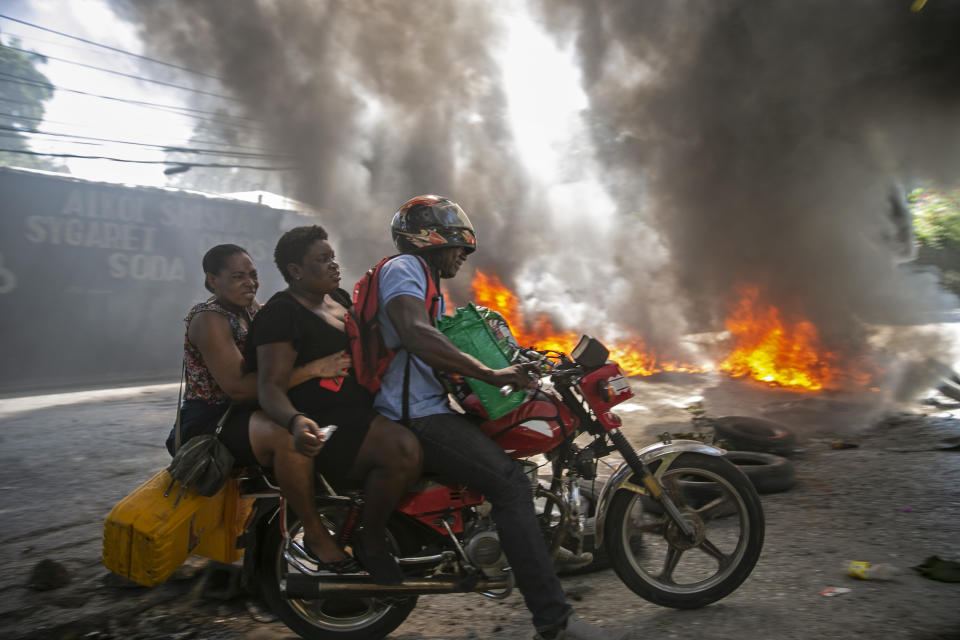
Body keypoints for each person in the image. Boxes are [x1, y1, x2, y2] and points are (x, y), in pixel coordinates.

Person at [374, 196, 628, 640]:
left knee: (518, 463)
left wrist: (516, 358)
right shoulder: (405, 269)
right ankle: (554, 621)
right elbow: (416, 335)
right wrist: (491, 373)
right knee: (508, 482)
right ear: (431, 237)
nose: (463, 254)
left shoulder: (427, 280)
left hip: (428, 406)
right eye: (458, 244)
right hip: (414, 416)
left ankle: (535, 545)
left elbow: (442, 344)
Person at [166, 244, 359, 575]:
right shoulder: (209, 319)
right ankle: (315, 535)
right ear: (213, 280)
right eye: (238, 276)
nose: (249, 283)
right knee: (289, 436)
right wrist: (315, 368)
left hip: (245, 414)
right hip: (212, 423)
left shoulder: (251, 309)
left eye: (253, 275)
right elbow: (239, 389)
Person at [248, 225, 422, 585]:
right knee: (402, 451)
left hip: (362, 411)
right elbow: (269, 388)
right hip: (324, 424)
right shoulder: (281, 315)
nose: (333, 265)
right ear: (295, 271)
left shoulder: (339, 298)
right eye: (321, 259)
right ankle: (369, 538)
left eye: (333, 257)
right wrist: (296, 422)